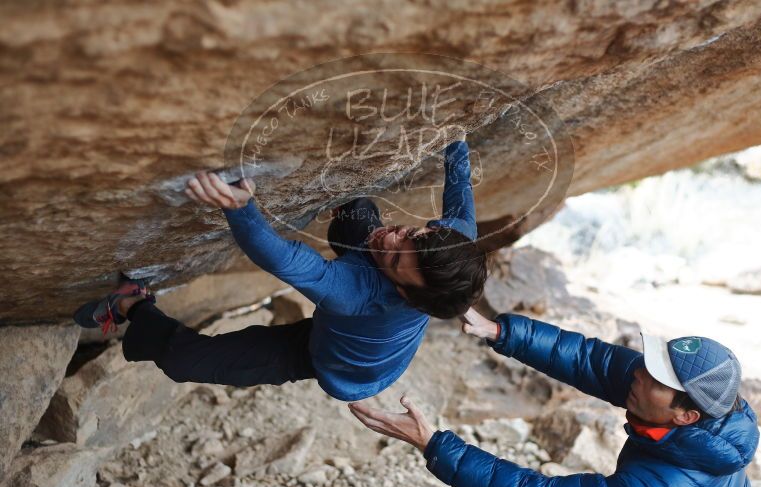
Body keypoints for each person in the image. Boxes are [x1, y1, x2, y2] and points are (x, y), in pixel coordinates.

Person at [73, 135, 487, 402]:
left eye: (398, 258)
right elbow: (460, 196)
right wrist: (455, 138)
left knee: (186, 361)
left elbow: (280, 257)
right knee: (360, 217)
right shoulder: (449, 243)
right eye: (412, 234)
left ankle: (131, 305)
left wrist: (240, 207)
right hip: (367, 327)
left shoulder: (355, 293)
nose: (395, 237)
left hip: (328, 360)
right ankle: (353, 208)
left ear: (404, 292)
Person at [349, 308, 761, 487]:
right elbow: (592, 361)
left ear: (685, 414)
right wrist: (502, 332)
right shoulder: (714, 414)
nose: (638, 372)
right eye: (651, 364)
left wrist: (432, 443)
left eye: (656, 377)